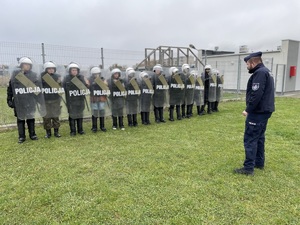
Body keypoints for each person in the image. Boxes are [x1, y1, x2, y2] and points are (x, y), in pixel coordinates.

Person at [234, 51, 275, 175]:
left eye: (247, 64)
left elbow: (256, 94)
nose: (247, 66)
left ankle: (248, 168)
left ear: (253, 62)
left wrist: (248, 109)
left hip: (258, 111)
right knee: (259, 137)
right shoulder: (266, 71)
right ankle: (259, 162)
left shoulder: (260, 73)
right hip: (265, 111)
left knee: (250, 138)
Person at [7, 57, 45, 143]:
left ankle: (32, 134)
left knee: (31, 118)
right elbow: (10, 88)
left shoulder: (33, 75)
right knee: (20, 119)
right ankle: (21, 136)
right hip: (19, 101)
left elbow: (37, 90)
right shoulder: (16, 75)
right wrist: (9, 99)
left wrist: (41, 101)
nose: (26, 66)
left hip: (30, 101)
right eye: (25, 64)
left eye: (28, 65)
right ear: (21, 65)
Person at [63, 62, 90, 136]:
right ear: (70, 71)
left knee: (80, 115)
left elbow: (85, 88)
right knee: (72, 116)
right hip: (71, 101)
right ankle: (73, 131)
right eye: (73, 70)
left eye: (76, 70)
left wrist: (87, 84)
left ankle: (80, 130)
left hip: (80, 100)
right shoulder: (66, 78)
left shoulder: (81, 78)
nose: (74, 72)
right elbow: (64, 88)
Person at [41, 61, 64, 138]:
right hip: (45, 101)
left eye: (52, 68)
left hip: (55, 100)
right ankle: (48, 133)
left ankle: (56, 132)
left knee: (55, 116)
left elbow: (61, 87)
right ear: (45, 69)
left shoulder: (57, 76)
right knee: (46, 117)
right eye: (49, 69)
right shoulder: (42, 76)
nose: (51, 70)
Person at [89, 66, 109, 132]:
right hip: (94, 98)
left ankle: (102, 126)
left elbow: (106, 85)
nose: (96, 75)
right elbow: (88, 87)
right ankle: (94, 127)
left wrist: (103, 83)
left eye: (97, 74)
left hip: (101, 97)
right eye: (95, 74)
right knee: (94, 111)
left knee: (101, 111)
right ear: (92, 74)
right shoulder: (90, 80)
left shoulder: (103, 79)